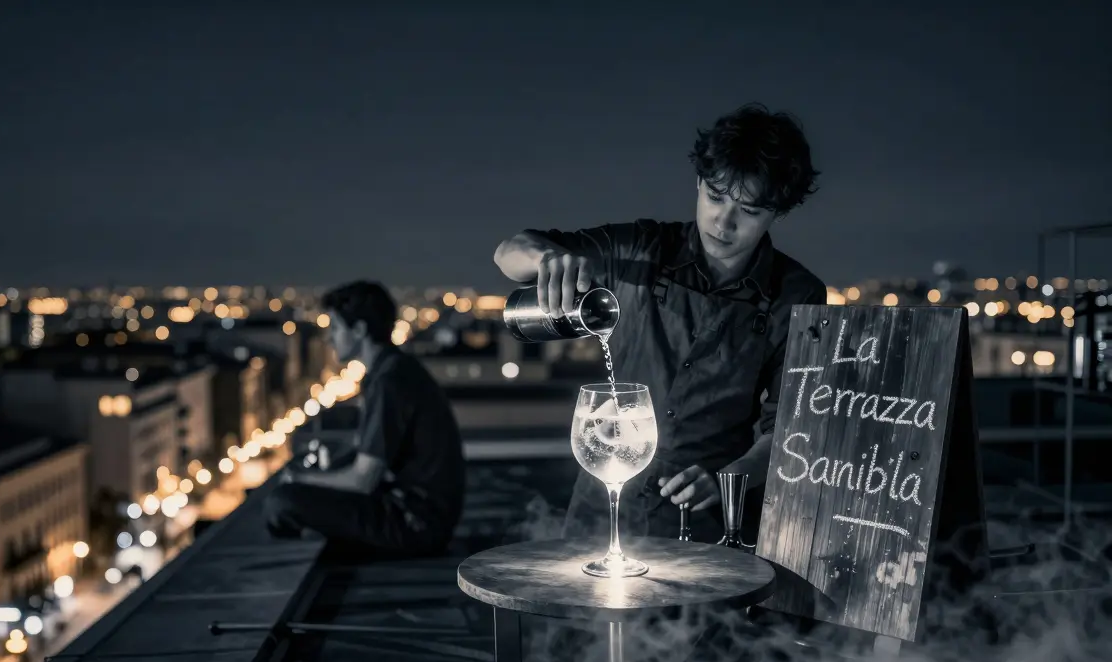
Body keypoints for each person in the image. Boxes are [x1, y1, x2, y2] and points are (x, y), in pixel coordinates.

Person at [493, 103, 826, 544]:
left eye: (749, 210)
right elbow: (508, 254)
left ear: (777, 213)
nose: (724, 221)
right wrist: (546, 257)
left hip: (703, 517)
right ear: (698, 183)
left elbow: (788, 425)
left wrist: (733, 477)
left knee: (694, 615)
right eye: (715, 195)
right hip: (600, 505)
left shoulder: (797, 295)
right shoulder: (641, 247)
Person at [261, 280, 467, 558]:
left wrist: (299, 478)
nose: (329, 338)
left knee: (283, 501)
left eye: (335, 328)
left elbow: (363, 480)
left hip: (416, 523)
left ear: (359, 329)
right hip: (423, 515)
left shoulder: (389, 381)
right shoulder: (394, 369)